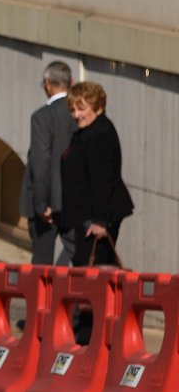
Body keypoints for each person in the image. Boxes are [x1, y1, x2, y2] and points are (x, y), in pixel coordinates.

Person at [60, 82, 133, 267]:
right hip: (87, 217)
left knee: (92, 272)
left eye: (81, 109)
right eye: (73, 110)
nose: (76, 115)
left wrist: (100, 222)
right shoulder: (88, 130)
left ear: (98, 107)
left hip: (95, 222)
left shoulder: (100, 134)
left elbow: (103, 181)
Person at [18, 61, 78, 265]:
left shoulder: (42, 117)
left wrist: (41, 203)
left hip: (47, 205)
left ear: (47, 83)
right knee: (82, 258)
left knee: (42, 263)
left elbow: (41, 160)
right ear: (71, 82)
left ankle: (43, 299)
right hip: (73, 200)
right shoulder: (81, 114)